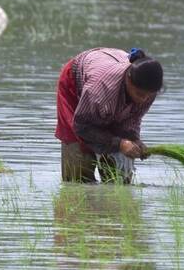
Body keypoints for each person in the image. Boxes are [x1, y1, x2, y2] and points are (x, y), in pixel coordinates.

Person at [55, 47, 163, 184]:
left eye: (149, 96)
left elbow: (132, 119)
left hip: (106, 68)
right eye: (140, 95)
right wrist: (120, 143)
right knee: (79, 174)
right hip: (76, 84)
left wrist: (134, 140)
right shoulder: (101, 89)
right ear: (128, 80)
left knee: (120, 178)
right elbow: (82, 126)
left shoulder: (147, 91)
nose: (144, 100)